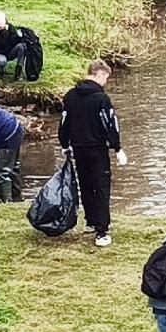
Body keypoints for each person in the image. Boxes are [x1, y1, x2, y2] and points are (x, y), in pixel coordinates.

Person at [58, 59, 124, 247]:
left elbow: (64, 122)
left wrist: (64, 143)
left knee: (85, 184)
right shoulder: (101, 99)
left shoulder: (70, 96)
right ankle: (102, 231)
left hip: (78, 148)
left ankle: (90, 221)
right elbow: (110, 124)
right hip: (97, 149)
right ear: (100, 74)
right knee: (101, 187)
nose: (105, 82)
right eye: (106, 78)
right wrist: (117, 147)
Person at [0, 11, 43, 82]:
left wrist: (18, 36)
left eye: (0, 27)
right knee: (2, 61)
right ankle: (0, 73)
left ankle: (18, 74)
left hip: (9, 52)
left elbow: (15, 41)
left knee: (21, 47)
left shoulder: (10, 28)